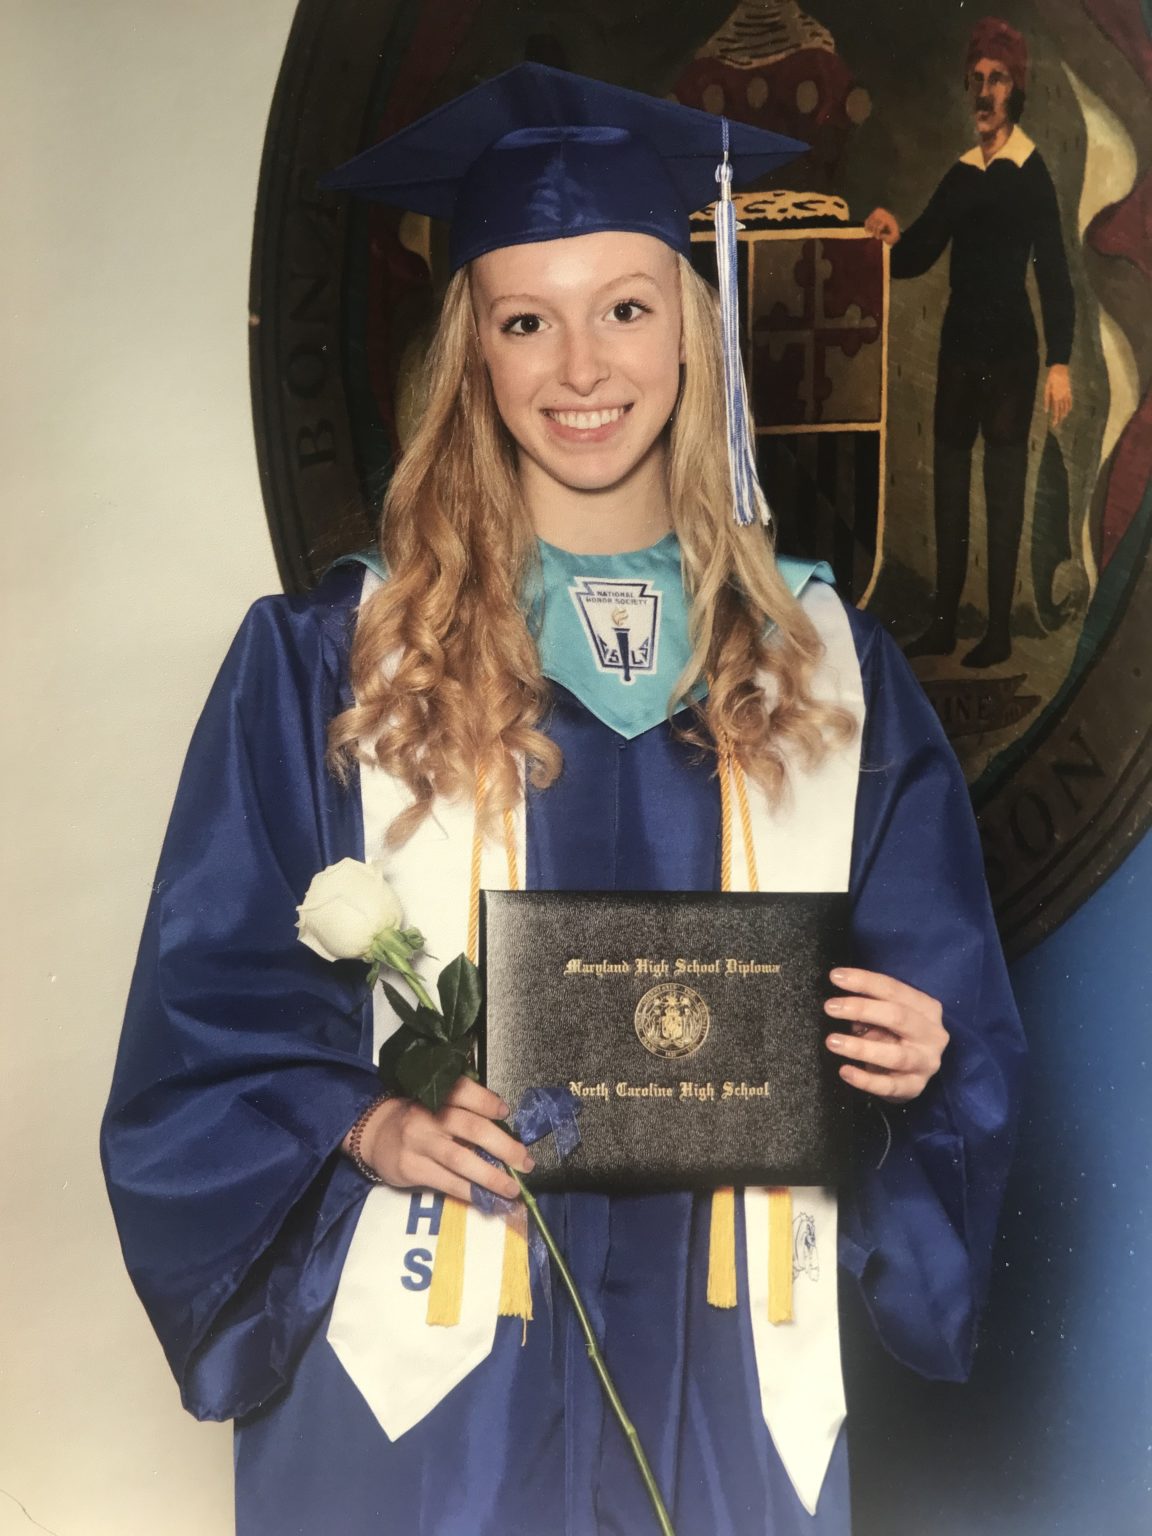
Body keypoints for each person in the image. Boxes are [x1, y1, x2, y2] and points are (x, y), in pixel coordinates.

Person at [102, 64, 1025, 1536]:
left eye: (626, 308)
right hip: (430, 1381)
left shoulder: (827, 669)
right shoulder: (331, 660)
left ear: (694, 328)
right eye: (525, 320)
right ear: (471, 354)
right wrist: (363, 1121)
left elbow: (940, 1013)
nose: (580, 367)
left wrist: (922, 1056)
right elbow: (200, 1023)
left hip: (730, 1364)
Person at [866, 17, 1074, 668]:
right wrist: (888, 236)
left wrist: (1061, 362)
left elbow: (1055, 274)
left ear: (1017, 90)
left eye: (998, 79)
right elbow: (918, 253)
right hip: (958, 350)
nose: (985, 93)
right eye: (978, 79)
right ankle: (943, 625)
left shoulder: (1031, 172)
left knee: (1003, 493)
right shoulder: (960, 174)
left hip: (1012, 354)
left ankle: (1000, 632)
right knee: (950, 486)